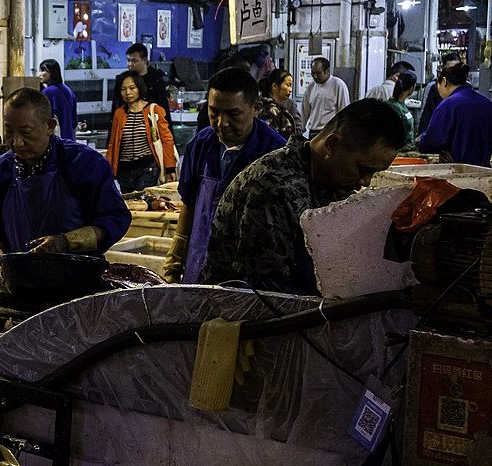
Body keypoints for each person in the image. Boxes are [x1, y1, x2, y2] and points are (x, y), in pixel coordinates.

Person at [202, 99, 406, 295]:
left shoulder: (329, 182)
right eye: (362, 169)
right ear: (332, 144)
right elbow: (267, 293)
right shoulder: (272, 186)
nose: (366, 182)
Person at [0, 88, 131, 263]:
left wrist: (65, 242)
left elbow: (116, 218)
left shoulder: (84, 163)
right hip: (21, 283)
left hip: (79, 281)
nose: (17, 142)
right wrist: (0, 260)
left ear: (50, 126)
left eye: (26, 132)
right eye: (9, 132)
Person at [164, 67, 287, 285]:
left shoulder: (275, 153)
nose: (222, 123)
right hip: (198, 263)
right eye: (214, 112)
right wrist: (175, 260)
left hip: (248, 276)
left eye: (233, 113)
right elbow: (189, 204)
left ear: (255, 108)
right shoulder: (201, 144)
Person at [105, 71, 177, 193]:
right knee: (130, 207)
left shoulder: (154, 110)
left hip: (148, 167)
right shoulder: (119, 113)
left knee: (145, 202)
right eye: (123, 89)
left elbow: (167, 140)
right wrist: (107, 170)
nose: (128, 93)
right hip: (124, 171)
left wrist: (170, 168)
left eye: (132, 88)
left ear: (139, 88)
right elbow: (113, 144)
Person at [418, 65, 492, 167]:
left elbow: (433, 141)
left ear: (444, 81)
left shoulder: (448, 104)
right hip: (485, 170)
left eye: (438, 85)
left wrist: (421, 142)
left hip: (456, 171)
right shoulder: (486, 102)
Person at [113, 43, 173, 131]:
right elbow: (115, 109)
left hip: (152, 131)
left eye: (134, 61)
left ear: (144, 60)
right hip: (126, 130)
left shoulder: (156, 81)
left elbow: (164, 113)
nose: (130, 64)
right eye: (128, 60)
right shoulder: (122, 80)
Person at [302, 57, 349, 139]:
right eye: (313, 73)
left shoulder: (338, 85)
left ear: (327, 71)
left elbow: (344, 111)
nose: (315, 76)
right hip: (313, 132)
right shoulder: (310, 87)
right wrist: (300, 130)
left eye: (318, 73)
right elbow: (304, 113)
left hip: (330, 132)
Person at [417, 52, 461, 137]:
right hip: (438, 138)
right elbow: (426, 116)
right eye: (449, 68)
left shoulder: (466, 87)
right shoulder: (434, 88)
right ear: (442, 68)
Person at [38, 59, 78, 141]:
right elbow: (74, 121)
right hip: (69, 138)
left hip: (56, 139)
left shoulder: (50, 91)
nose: (40, 74)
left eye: (43, 71)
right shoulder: (67, 89)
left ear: (52, 72)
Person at [259, 68, 303, 140]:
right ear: (274, 86)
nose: (290, 89)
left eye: (291, 86)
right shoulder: (271, 109)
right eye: (288, 85)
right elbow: (271, 139)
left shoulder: (269, 105)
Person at [387, 71, 418, 152]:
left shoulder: (403, 106)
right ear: (411, 87)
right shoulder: (394, 107)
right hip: (399, 152)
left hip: (407, 150)